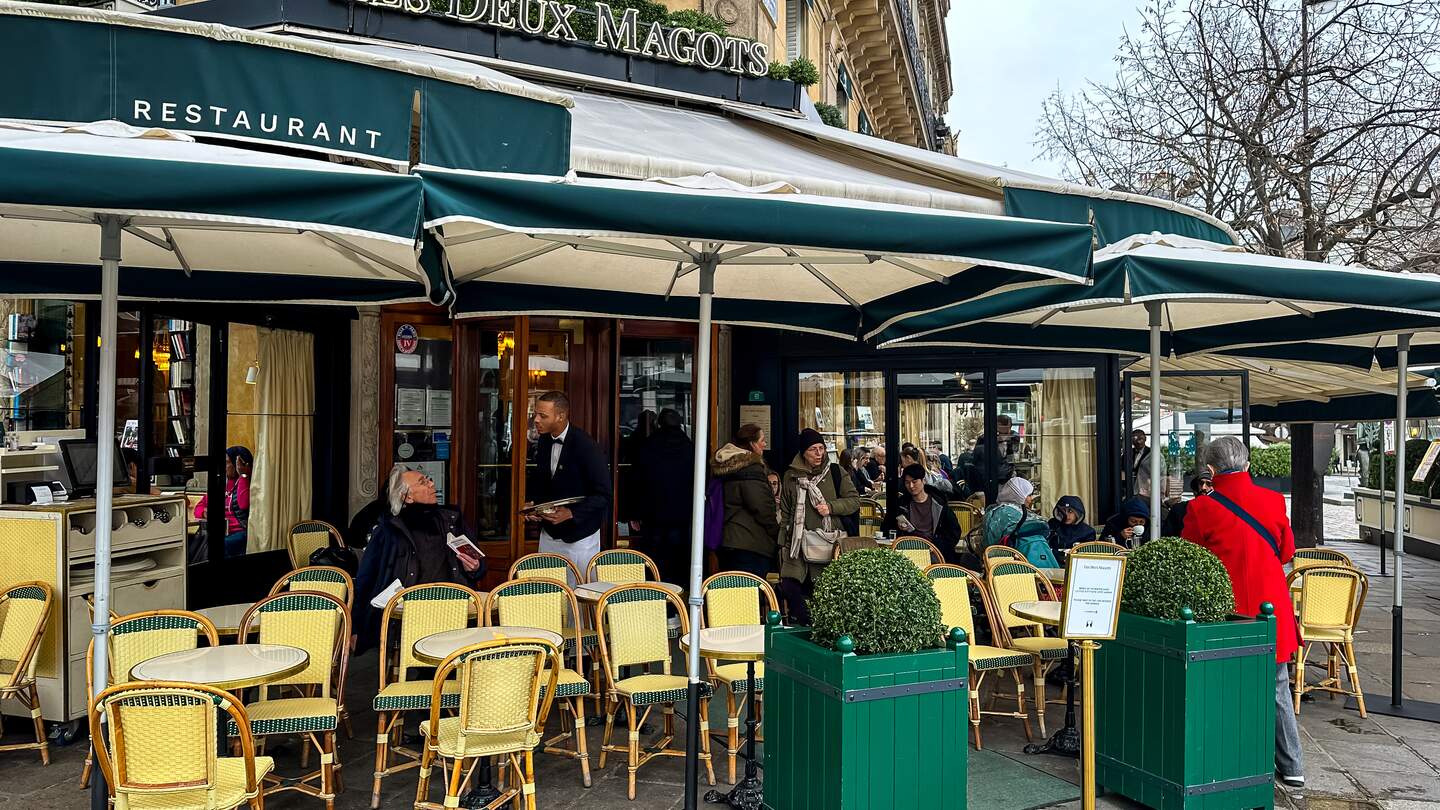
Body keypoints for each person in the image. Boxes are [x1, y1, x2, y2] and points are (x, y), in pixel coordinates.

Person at [1180, 436, 1303, 788]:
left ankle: (1234, 759)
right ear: (1248, 465)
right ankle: (1293, 765)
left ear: (1211, 470)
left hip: (1227, 609)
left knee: (1221, 686)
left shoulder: (1201, 508)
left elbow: (1193, 559)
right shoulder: (1273, 499)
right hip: (1271, 605)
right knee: (1277, 687)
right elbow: (1285, 552)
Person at [353, 465, 485, 651]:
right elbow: (366, 577)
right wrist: (356, 627)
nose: (432, 484)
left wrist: (475, 567)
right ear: (407, 496)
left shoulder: (452, 520)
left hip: (454, 609)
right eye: (423, 482)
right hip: (409, 615)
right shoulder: (389, 529)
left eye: (429, 479)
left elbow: (479, 565)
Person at [526, 391, 613, 577]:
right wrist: (534, 506)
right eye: (536, 414)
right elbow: (543, 482)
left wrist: (572, 513)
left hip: (580, 537)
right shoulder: (543, 442)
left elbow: (603, 495)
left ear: (561, 416)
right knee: (548, 591)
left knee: (579, 594)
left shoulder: (587, 446)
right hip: (549, 534)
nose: (536, 420)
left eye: (543, 415)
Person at [779, 429, 859, 624]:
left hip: (827, 542)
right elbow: (786, 512)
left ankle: (819, 628)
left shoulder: (835, 472)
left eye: (821, 448)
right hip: (797, 543)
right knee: (790, 585)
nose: (818, 454)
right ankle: (804, 623)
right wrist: (782, 543)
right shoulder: (791, 476)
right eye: (813, 449)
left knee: (821, 589)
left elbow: (854, 501)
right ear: (803, 453)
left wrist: (830, 507)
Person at [711, 424, 781, 579]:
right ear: (751, 444)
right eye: (762, 440)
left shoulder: (726, 466)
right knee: (748, 597)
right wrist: (777, 533)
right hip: (750, 545)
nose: (765, 444)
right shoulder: (750, 468)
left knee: (732, 594)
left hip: (728, 540)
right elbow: (762, 507)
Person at [634, 408, 695, 585]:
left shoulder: (649, 445)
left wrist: (634, 512)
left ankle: (656, 594)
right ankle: (677, 598)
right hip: (682, 513)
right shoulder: (690, 447)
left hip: (653, 513)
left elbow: (637, 479)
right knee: (679, 556)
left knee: (655, 558)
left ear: (659, 424)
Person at [887, 463, 965, 565]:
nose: (911, 486)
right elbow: (887, 527)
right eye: (907, 483)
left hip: (935, 552)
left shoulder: (939, 503)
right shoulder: (901, 504)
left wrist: (938, 546)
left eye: (914, 482)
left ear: (923, 481)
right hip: (908, 551)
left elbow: (954, 531)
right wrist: (897, 527)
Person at [195, 445, 251, 558]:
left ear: (238, 464)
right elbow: (198, 508)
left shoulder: (246, 482)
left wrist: (243, 475)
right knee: (194, 543)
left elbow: (243, 504)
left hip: (240, 532)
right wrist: (205, 512)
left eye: (226, 462)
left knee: (218, 546)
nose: (223, 466)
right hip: (220, 532)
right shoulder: (221, 483)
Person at [1161, 470, 1214, 538]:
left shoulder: (1223, 511)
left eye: (1209, 484)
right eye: (1201, 483)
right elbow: (1167, 537)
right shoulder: (1179, 509)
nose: (1203, 487)